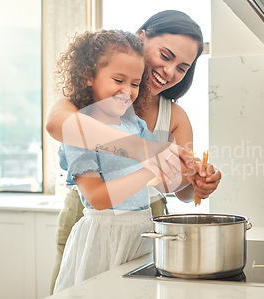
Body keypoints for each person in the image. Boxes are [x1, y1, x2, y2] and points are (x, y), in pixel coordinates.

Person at [47, 10, 222, 293]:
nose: (169, 72)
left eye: (182, 67)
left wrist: (198, 183)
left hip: (146, 215)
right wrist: (148, 153)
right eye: (166, 56)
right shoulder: (86, 100)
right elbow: (58, 125)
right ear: (142, 38)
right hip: (87, 216)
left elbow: (177, 187)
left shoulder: (172, 116)